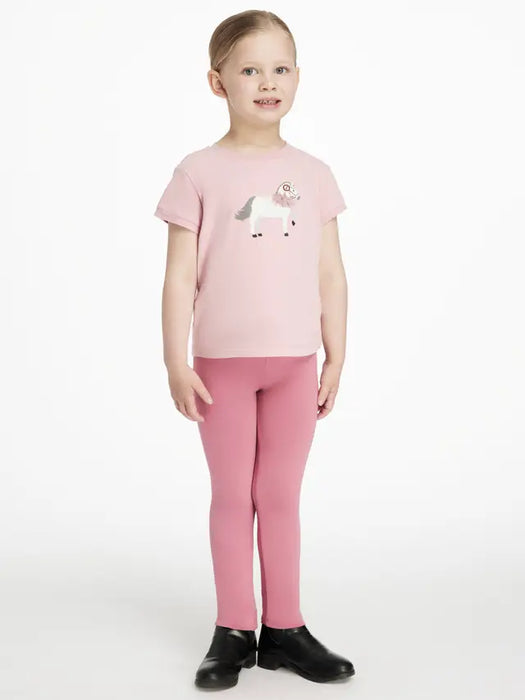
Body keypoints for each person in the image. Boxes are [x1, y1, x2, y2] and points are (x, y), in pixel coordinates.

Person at [154, 9, 356, 691]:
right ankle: (234, 629)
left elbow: (331, 272)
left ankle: (286, 630)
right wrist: (175, 360)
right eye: (249, 70)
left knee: (279, 495)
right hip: (221, 369)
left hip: (295, 364)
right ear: (218, 82)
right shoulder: (197, 172)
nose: (267, 82)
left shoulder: (313, 174)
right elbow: (179, 274)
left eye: (279, 69)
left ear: (297, 77)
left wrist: (335, 354)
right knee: (231, 496)